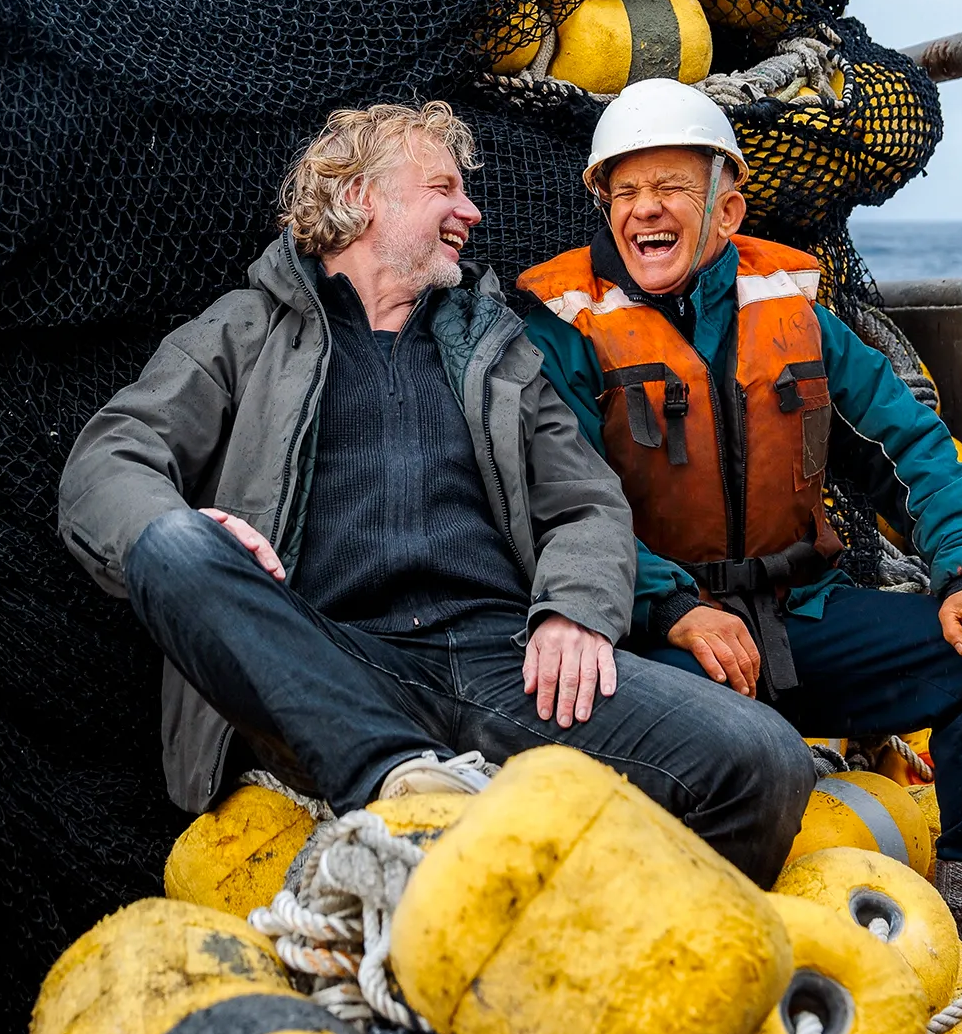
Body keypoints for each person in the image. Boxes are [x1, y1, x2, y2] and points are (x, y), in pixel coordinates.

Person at [58, 100, 814, 883]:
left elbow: (587, 503)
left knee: (764, 758)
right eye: (443, 188)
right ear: (360, 198)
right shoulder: (244, 330)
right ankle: (396, 777)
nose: (472, 210)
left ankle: (589, 939)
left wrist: (573, 610)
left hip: (508, 665)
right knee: (176, 545)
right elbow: (106, 459)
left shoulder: (497, 347)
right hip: (326, 659)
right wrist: (199, 523)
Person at [516, 77, 962, 954]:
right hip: (657, 640)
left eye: (670, 190)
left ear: (727, 208)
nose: (645, 210)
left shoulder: (792, 312)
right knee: (727, 752)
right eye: (625, 192)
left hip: (802, 618)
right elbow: (559, 496)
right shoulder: (564, 329)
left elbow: (910, 446)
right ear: (602, 205)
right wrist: (672, 606)